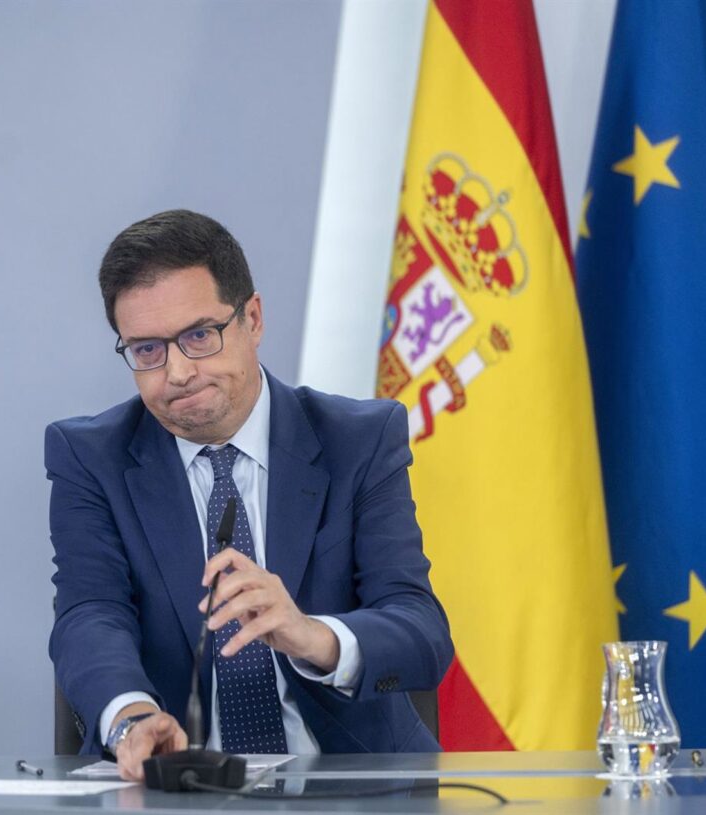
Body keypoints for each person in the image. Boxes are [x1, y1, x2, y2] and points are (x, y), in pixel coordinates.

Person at [46, 209, 453, 781]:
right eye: (147, 350)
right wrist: (131, 719)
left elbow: (420, 630)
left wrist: (312, 636)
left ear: (253, 319)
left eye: (199, 336)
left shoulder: (358, 440)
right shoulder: (92, 457)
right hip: (176, 786)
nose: (178, 372)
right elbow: (90, 614)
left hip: (351, 783)